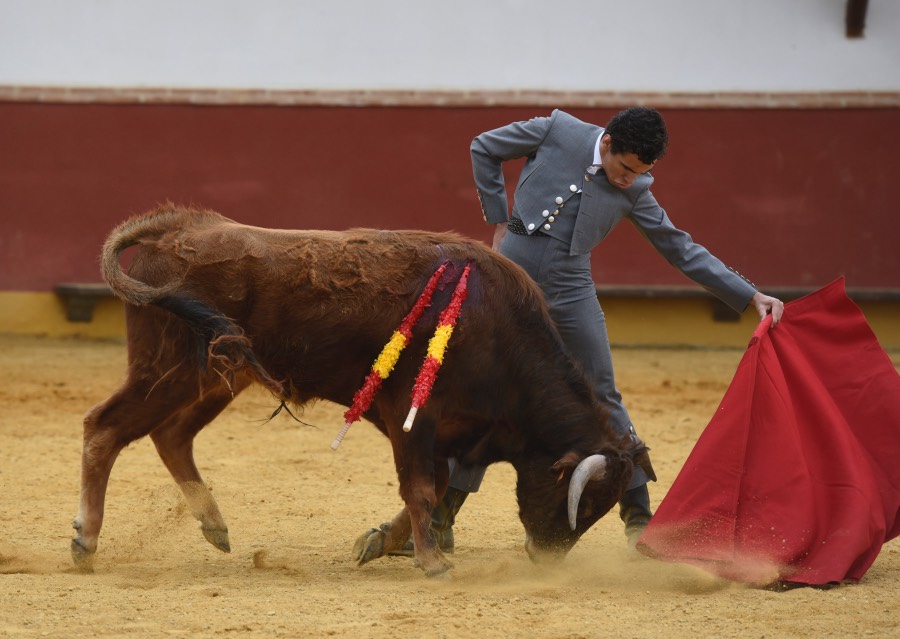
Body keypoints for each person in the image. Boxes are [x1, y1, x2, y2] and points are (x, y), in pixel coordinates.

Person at [419, 106, 785, 554]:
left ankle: (639, 518)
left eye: (642, 172)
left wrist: (750, 296)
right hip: (509, 285)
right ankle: (440, 518)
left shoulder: (636, 189)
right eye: (626, 168)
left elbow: (680, 248)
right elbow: (485, 146)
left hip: (572, 291)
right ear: (607, 143)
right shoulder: (558, 129)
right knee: (488, 394)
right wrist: (497, 216)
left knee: (603, 394)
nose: (630, 180)